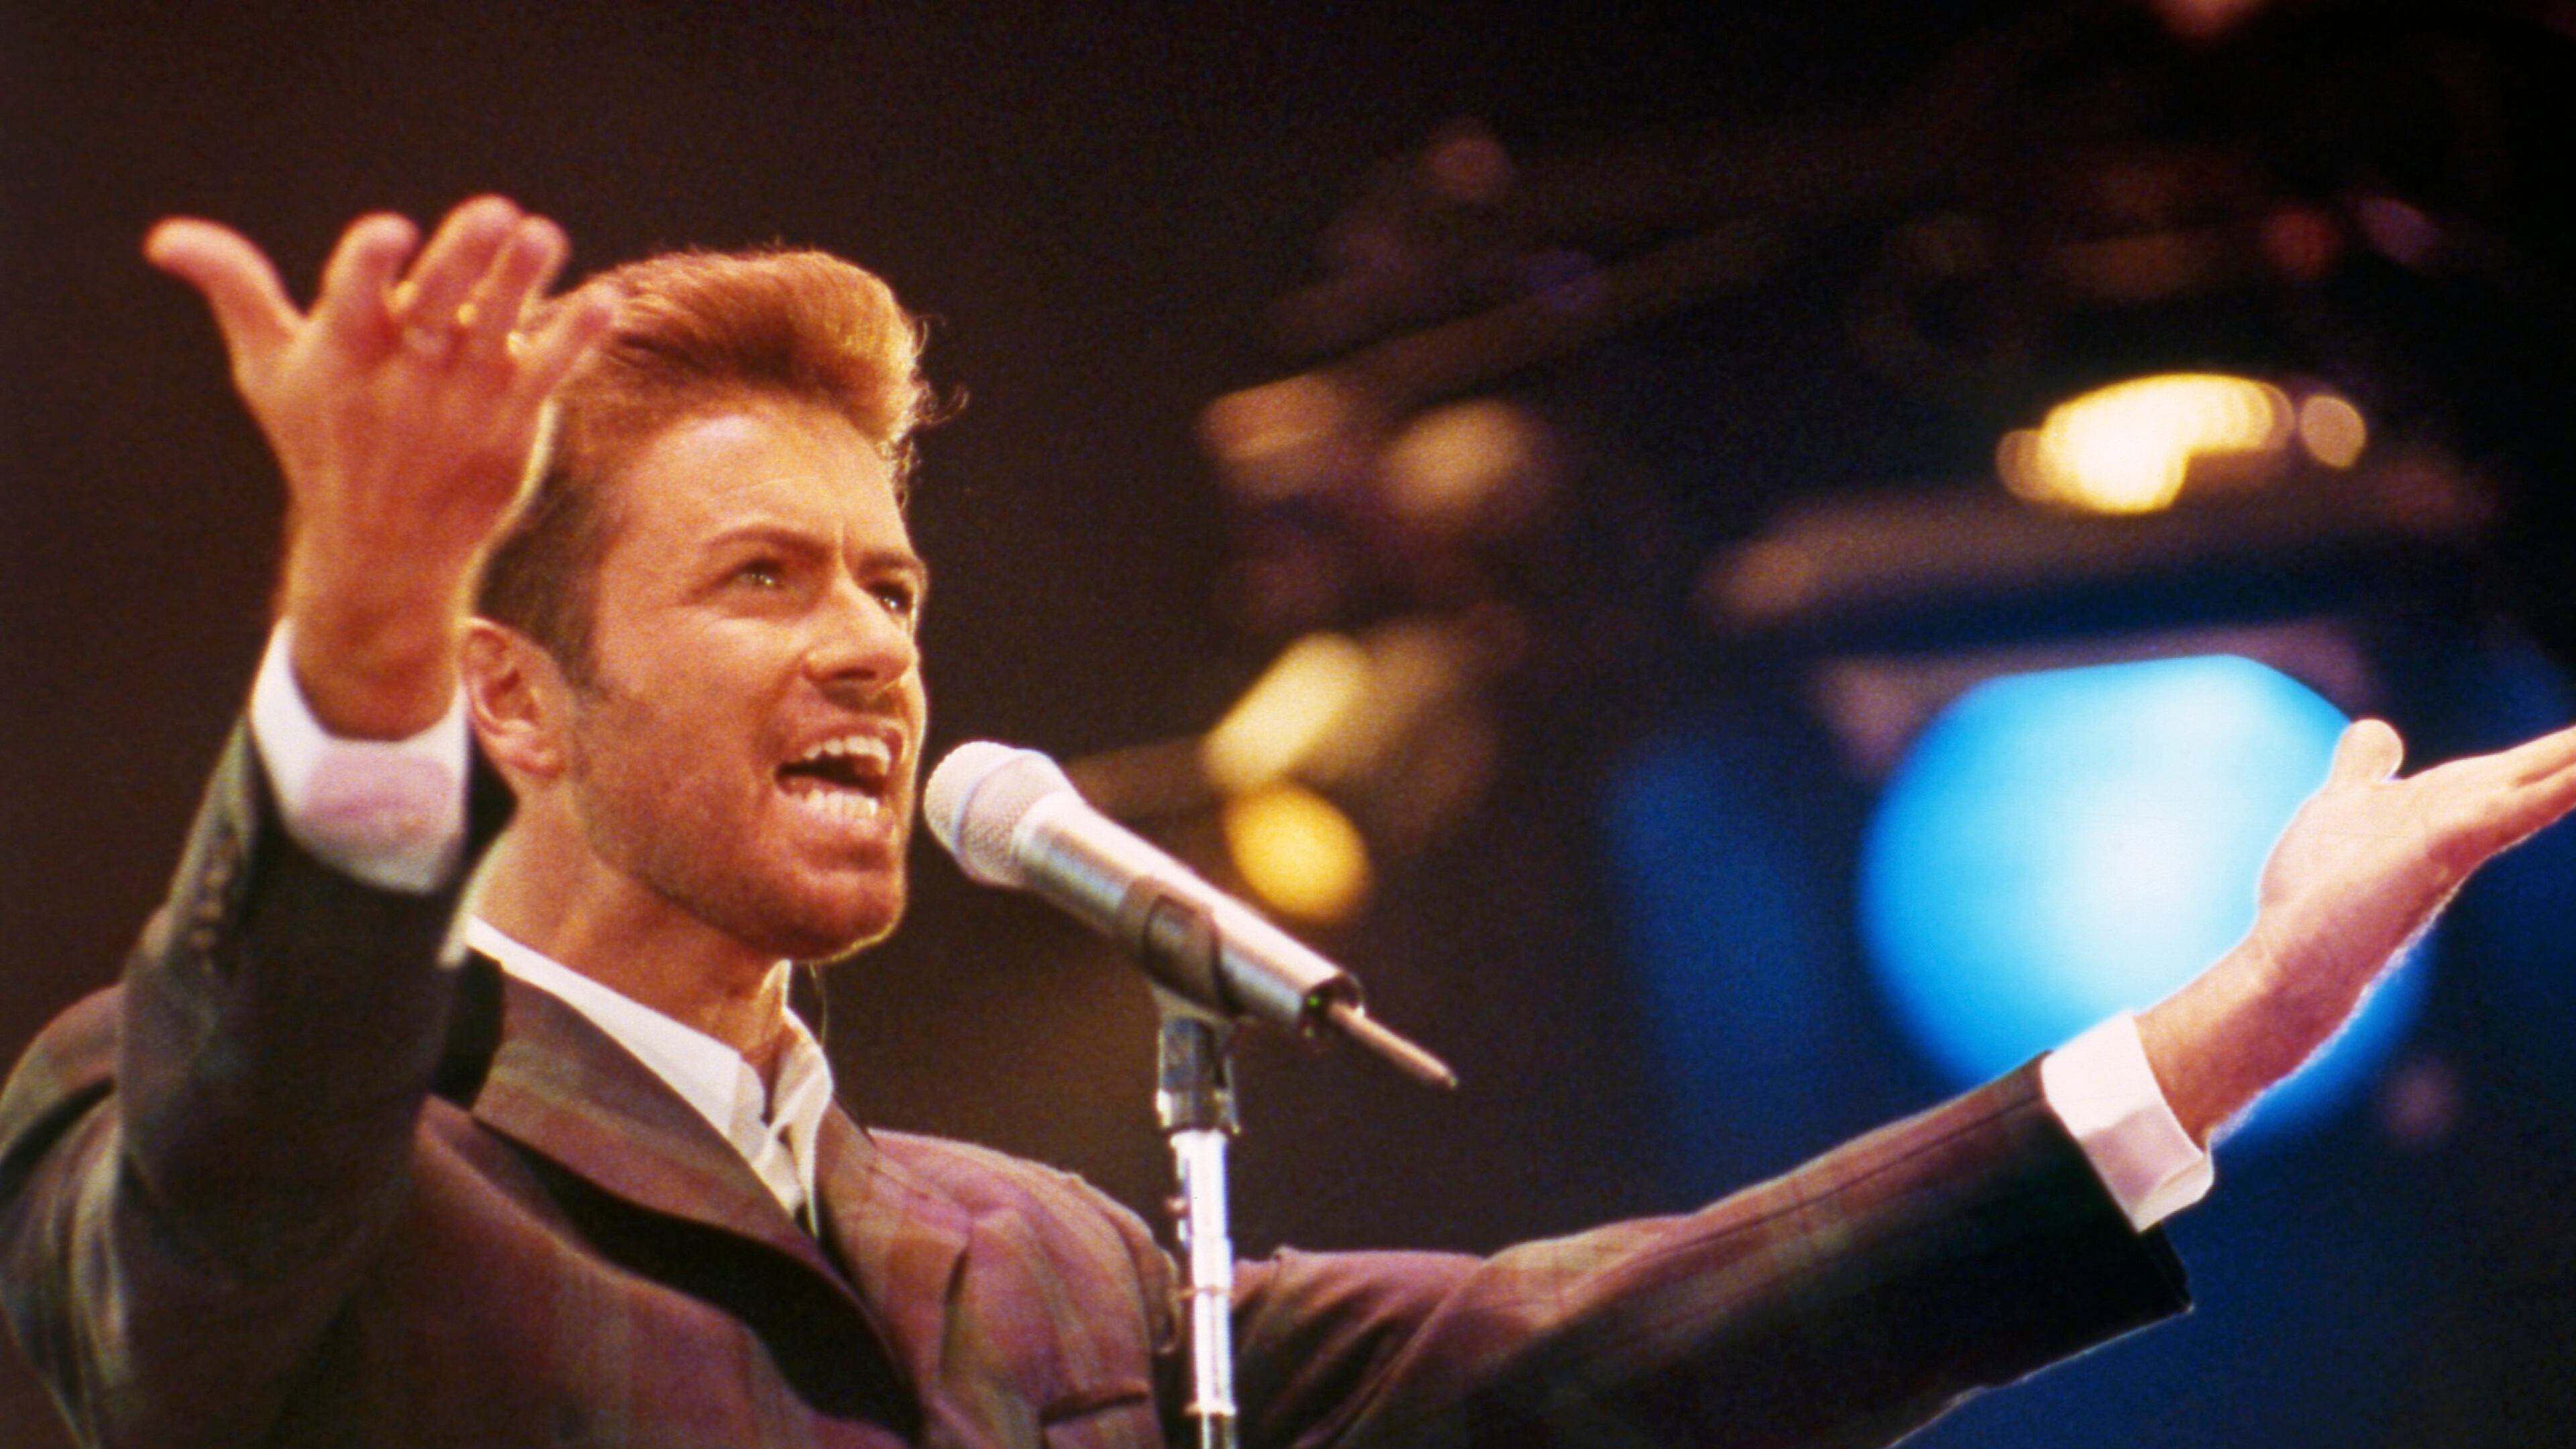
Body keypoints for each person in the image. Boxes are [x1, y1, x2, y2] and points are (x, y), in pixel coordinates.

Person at [4, 195, 2573, 1449]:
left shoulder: (1053, 1267)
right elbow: (230, 1176)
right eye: (765, 577)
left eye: (893, 584)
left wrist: (2227, 1038)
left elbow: (1596, 1360)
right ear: (517, 704)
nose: (877, 646)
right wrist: (345, 653)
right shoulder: (253, 1150)